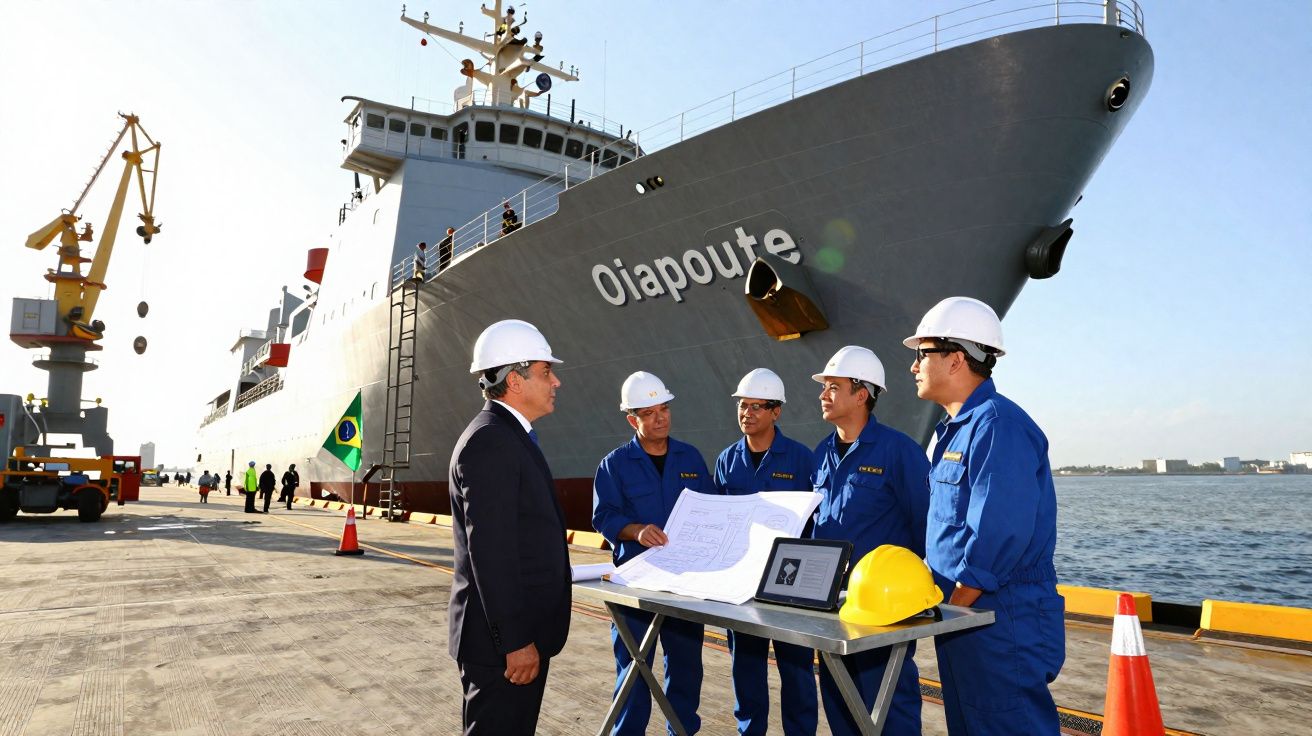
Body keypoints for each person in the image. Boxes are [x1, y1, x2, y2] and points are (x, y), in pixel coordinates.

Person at [905, 296, 1064, 735]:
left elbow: (999, 533)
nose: (914, 366)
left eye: (922, 354)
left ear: (956, 360)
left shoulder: (998, 425)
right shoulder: (957, 429)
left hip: (999, 615)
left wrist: (953, 607)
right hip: (966, 614)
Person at [449, 319, 570, 735]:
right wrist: (516, 641)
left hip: (512, 640)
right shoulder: (492, 441)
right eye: (546, 372)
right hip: (503, 647)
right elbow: (492, 552)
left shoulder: (505, 436)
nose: (556, 382)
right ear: (515, 380)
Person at [810, 346, 929, 736]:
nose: (824, 394)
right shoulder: (821, 454)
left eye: (833, 386)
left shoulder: (900, 452)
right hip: (832, 602)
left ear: (862, 394)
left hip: (882, 606)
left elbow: (926, 524)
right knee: (839, 699)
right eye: (824, 386)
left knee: (888, 703)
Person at [593, 371, 711, 735]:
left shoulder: (690, 458)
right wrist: (637, 531)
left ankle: (682, 731)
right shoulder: (614, 464)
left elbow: (709, 508)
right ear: (633, 419)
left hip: (684, 583)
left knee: (687, 668)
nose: (660, 418)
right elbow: (604, 516)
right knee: (633, 668)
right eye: (650, 412)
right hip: (637, 584)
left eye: (664, 409)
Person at [712, 369, 817, 736]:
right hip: (743, 583)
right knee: (746, 667)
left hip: (791, 583)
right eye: (743, 405)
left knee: (797, 668)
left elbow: (815, 522)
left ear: (777, 412)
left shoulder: (803, 459)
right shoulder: (727, 460)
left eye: (758, 406)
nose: (748, 413)